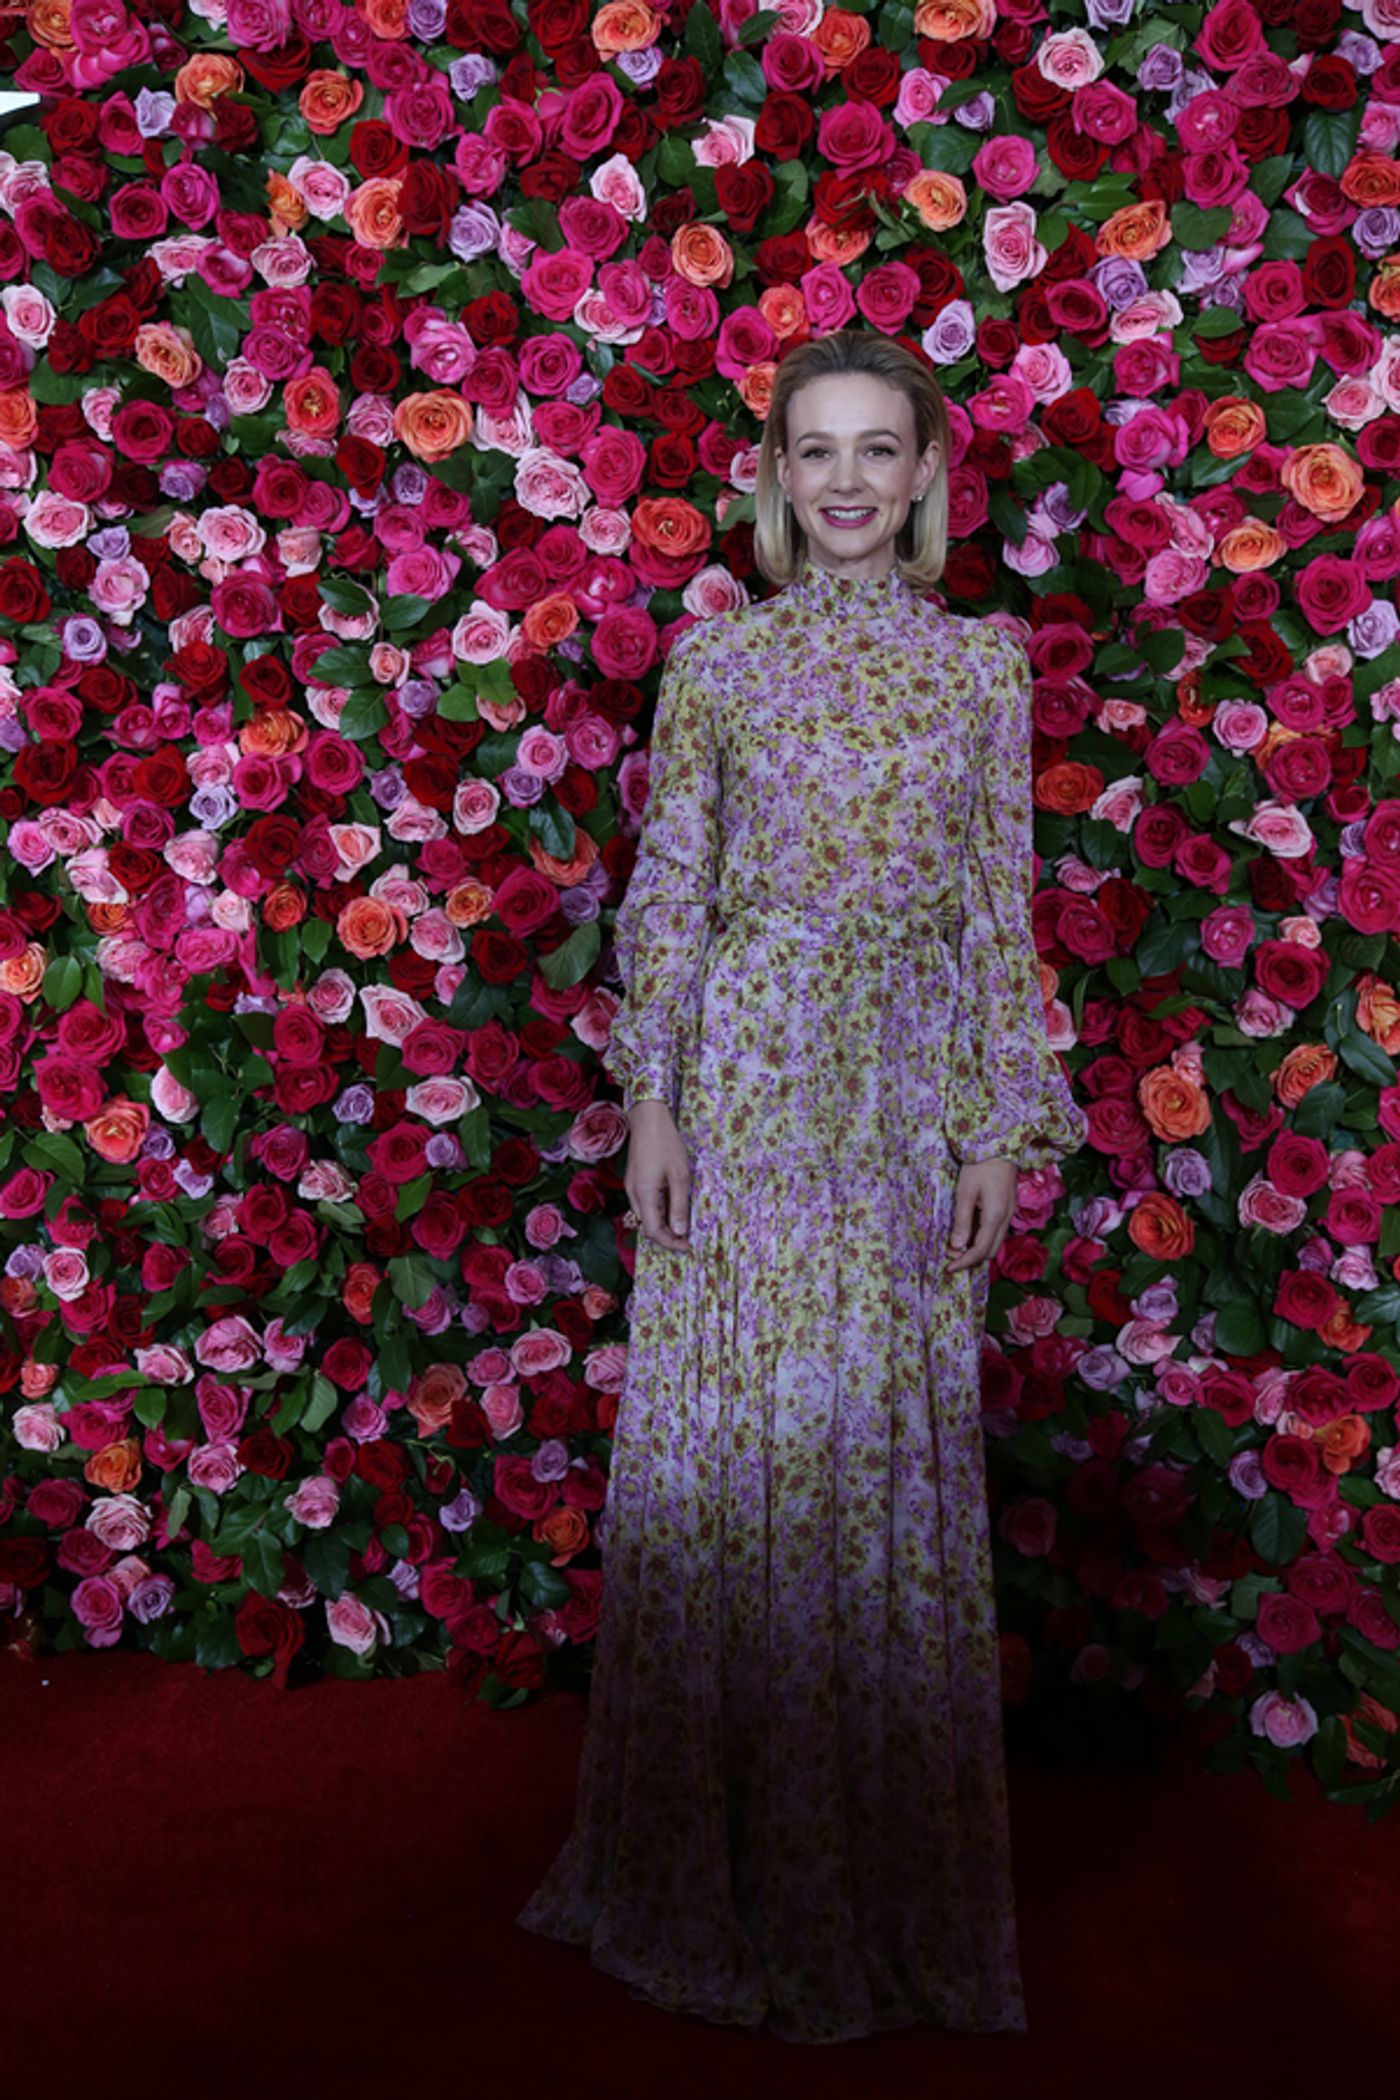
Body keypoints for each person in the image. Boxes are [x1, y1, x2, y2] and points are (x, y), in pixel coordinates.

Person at [515, 329, 1088, 2044]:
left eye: (877, 452)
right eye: (815, 451)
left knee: (866, 1457)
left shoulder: (987, 670)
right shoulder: (720, 669)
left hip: (907, 1088)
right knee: (742, 1446)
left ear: (924, 480)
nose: (845, 480)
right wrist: (654, 1102)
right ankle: (714, 1874)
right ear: (775, 477)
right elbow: (672, 894)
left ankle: (877, 1889)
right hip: (748, 1079)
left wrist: (998, 1127)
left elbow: (1003, 907)